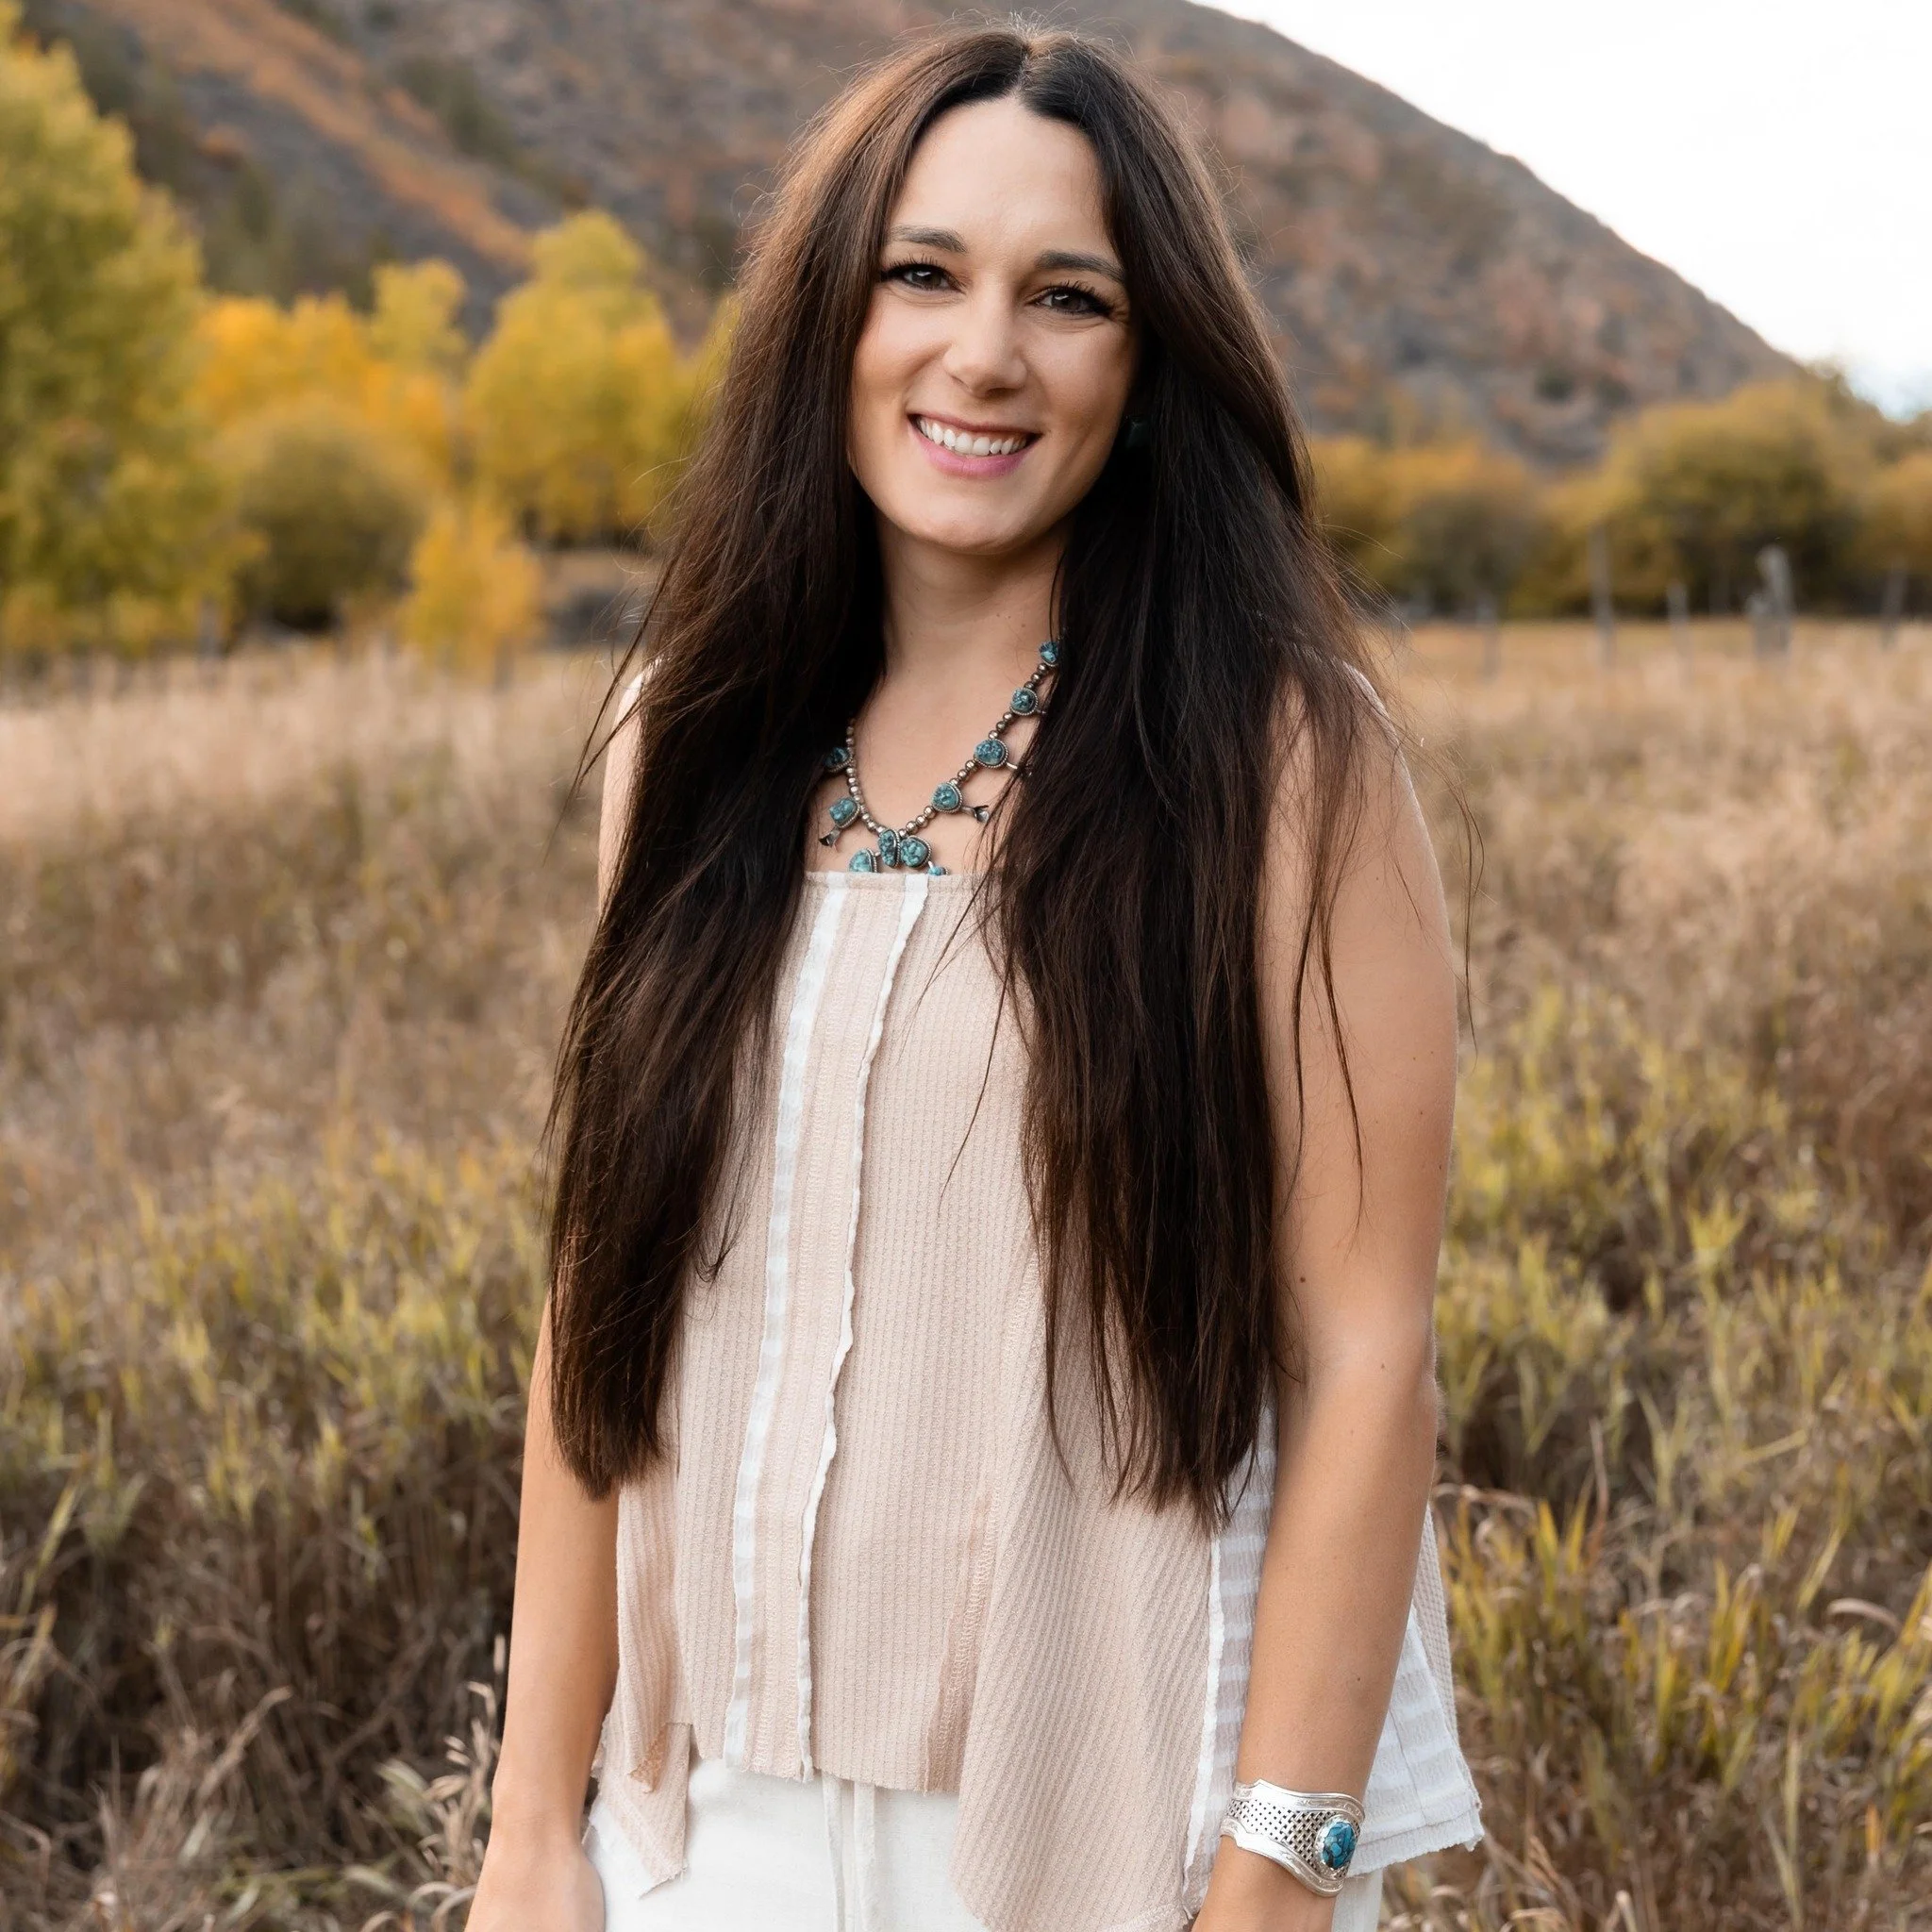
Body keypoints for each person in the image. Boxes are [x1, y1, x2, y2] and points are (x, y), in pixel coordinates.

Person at [469, 24, 1482, 1932]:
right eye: (920, 273)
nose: (982, 353)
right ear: (827, 314)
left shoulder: (1278, 761)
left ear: (1146, 356)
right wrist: (535, 1827)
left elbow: (1363, 1355)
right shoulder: (689, 747)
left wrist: (1277, 1872)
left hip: (1115, 1844)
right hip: (702, 1843)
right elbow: (596, 1301)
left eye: (1068, 297)